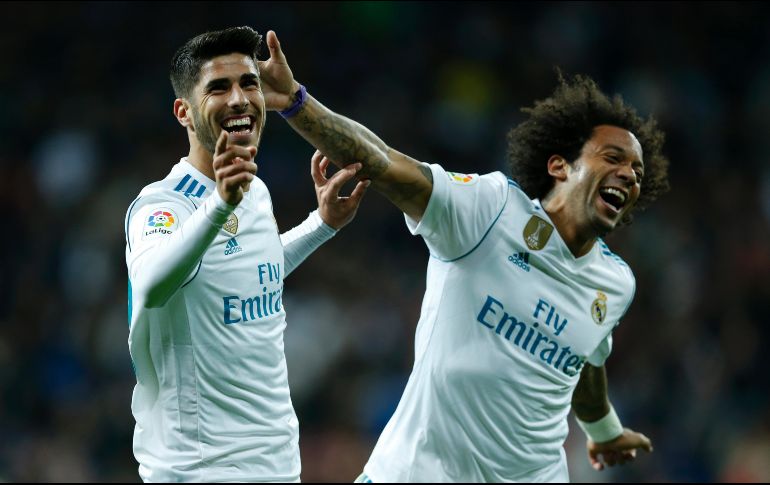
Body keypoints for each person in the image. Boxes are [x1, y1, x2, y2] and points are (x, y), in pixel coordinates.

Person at [257, 29, 669, 482]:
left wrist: (604, 431)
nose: (628, 174)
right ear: (560, 165)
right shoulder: (489, 210)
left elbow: (586, 359)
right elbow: (383, 162)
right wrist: (297, 102)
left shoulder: (615, 283)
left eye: (636, 172)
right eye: (613, 158)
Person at [123, 27, 369, 482]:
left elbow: (257, 273)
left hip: (274, 462)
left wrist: (322, 225)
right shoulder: (162, 205)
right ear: (184, 112)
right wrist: (219, 204)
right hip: (200, 468)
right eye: (218, 88)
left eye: (249, 83)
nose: (238, 99)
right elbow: (152, 286)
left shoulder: (253, 191)